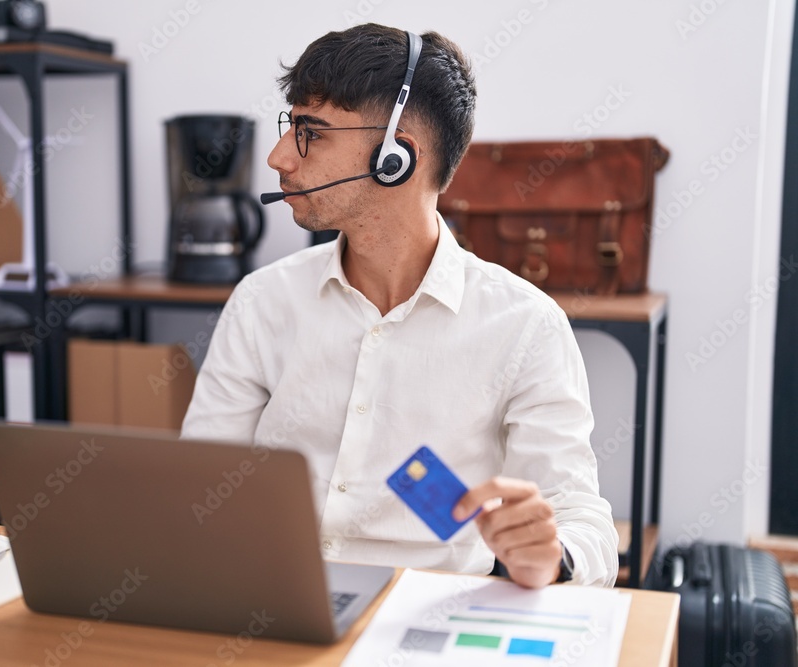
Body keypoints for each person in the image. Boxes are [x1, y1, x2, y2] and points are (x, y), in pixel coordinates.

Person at [180, 23, 618, 589]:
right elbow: (200, 485)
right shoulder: (262, 302)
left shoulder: (526, 327)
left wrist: (550, 556)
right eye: (291, 126)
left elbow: (582, 521)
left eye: (310, 132)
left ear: (396, 157)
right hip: (279, 599)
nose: (278, 156)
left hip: (433, 614)